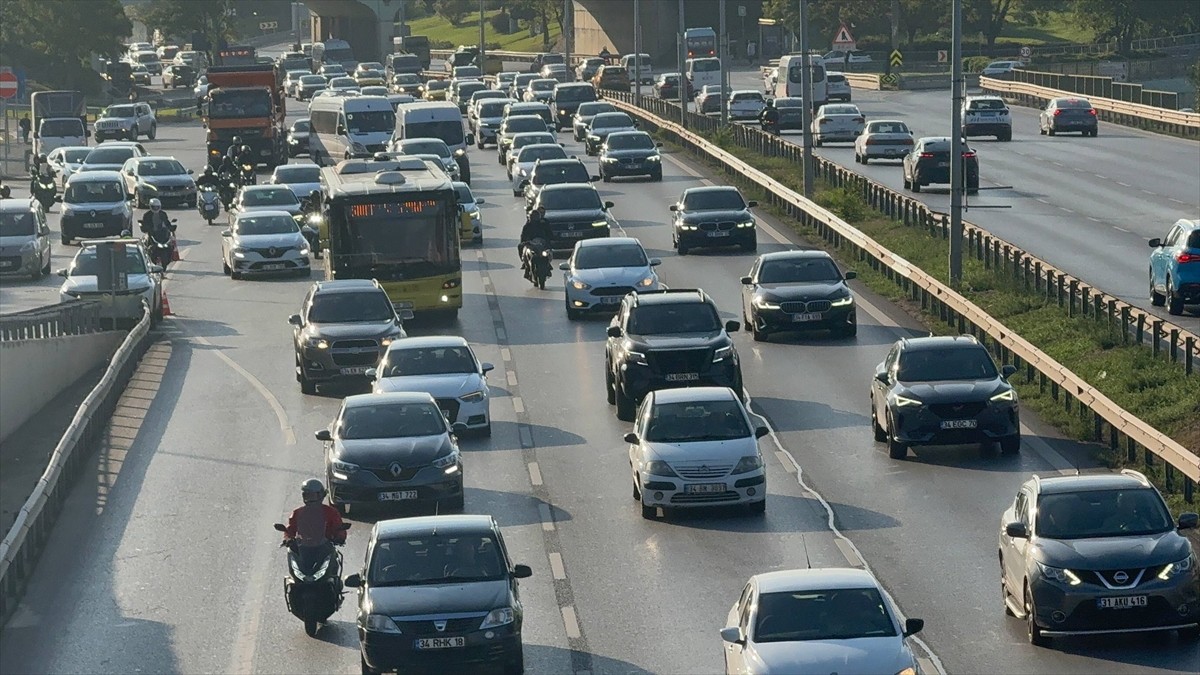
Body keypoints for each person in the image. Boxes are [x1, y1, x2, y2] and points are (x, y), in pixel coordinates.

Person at [282, 479, 347, 548]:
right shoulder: (297, 513)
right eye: (307, 496)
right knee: (291, 554)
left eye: (312, 496)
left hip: (325, 548)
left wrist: (340, 537)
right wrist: (288, 538)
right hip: (302, 548)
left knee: (335, 557)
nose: (310, 499)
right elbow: (290, 528)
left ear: (321, 495)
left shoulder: (331, 512)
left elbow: (339, 528)